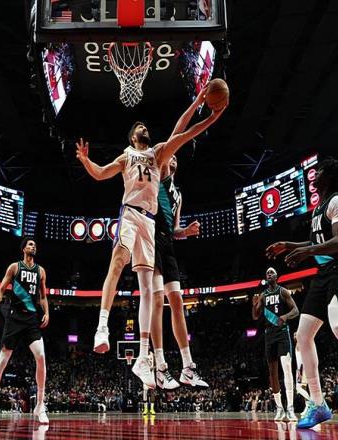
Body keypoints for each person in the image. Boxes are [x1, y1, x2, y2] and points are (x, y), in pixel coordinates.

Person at [77, 84, 227, 389]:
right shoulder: (127, 156)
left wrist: (211, 116)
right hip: (131, 213)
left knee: (148, 290)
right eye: (139, 127)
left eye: (146, 126)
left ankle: (144, 358)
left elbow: (186, 133)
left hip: (149, 223)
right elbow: (101, 173)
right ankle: (102, 327)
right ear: (132, 137)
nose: (144, 128)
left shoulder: (159, 154)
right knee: (118, 262)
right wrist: (85, 161)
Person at [266, 157, 338, 428]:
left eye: (320, 170)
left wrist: (306, 251)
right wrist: (290, 244)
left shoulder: (337, 202)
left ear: (329, 176)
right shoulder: (318, 208)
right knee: (303, 335)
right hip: (323, 274)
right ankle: (317, 404)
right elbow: (318, 240)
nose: (314, 174)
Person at [150, 154, 208, 389]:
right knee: (157, 300)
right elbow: (168, 149)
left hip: (168, 244)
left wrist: (187, 232)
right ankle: (160, 366)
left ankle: (187, 367)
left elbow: (175, 230)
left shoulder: (179, 195)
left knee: (177, 300)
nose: (173, 158)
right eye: (170, 156)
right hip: (151, 238)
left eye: (176, 157)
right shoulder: (160, 176)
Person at [0, 237, 50, 425]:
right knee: (3, 360)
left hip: (31, 319)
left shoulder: (41, 271)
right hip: (15, 318)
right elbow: (1, 290)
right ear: (23, 248)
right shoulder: (15, 268)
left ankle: (40, 405)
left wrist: (47, 312)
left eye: (35, 245)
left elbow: (43, 296)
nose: (33, 246)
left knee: (41, 356)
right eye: (30, 244)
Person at [252, 268, 299, 421]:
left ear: (277, 276)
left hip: (282, 333)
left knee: (287, 368)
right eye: (267, 273)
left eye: (272, 272)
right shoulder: (263, 295)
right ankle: (279, 408)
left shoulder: (283, 292)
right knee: (272, 372)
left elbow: (296, 311)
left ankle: (290, 407)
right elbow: (255, 316)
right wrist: (254, 305)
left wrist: (285, 316)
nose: (269, 274)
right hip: (269, 334)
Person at [294, 332, 311, 416]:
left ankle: (311, 403)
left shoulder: (302, 344)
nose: (294, 335)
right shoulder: (297, 345)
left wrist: (301, 371)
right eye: (294, 335)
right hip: (299, 369)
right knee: (302, 388)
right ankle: (307, 407)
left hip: (303, 368)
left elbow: (305, 358)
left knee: (299, 388)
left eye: (296, 334)